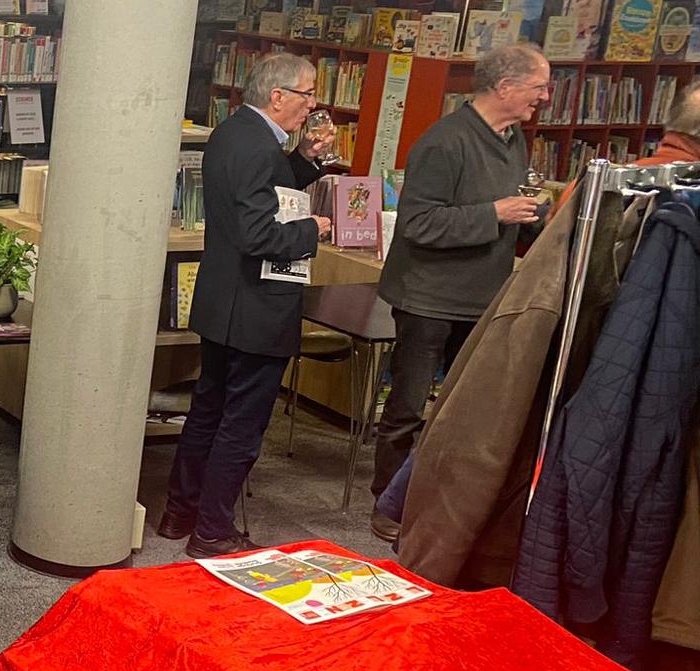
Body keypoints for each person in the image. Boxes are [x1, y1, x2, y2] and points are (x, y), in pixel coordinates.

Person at [159, 52, 333, 558]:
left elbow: (260, 194)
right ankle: (212, 530)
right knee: (241, 423)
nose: (313, 104)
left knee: (208, 411)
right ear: (277, 96)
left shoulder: (237, 133)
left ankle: (181, 511)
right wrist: (313, 229)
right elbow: (260, 232)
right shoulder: (258, 146)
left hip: (223, 301)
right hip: (257, 306)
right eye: (306, 94)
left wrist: (304, 160)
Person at [371, 44, 550, 519]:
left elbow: (507, 207)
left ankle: (437, 500)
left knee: (465, 411)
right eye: (538, 87)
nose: (545, 97)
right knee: (406, 408)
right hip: (428, 300)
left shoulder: (513, 139)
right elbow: (420, 224)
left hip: (482, 300)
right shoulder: (444, 142)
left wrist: (533, 215)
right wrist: (495, 213)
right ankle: (386, 504)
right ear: (505, 87)